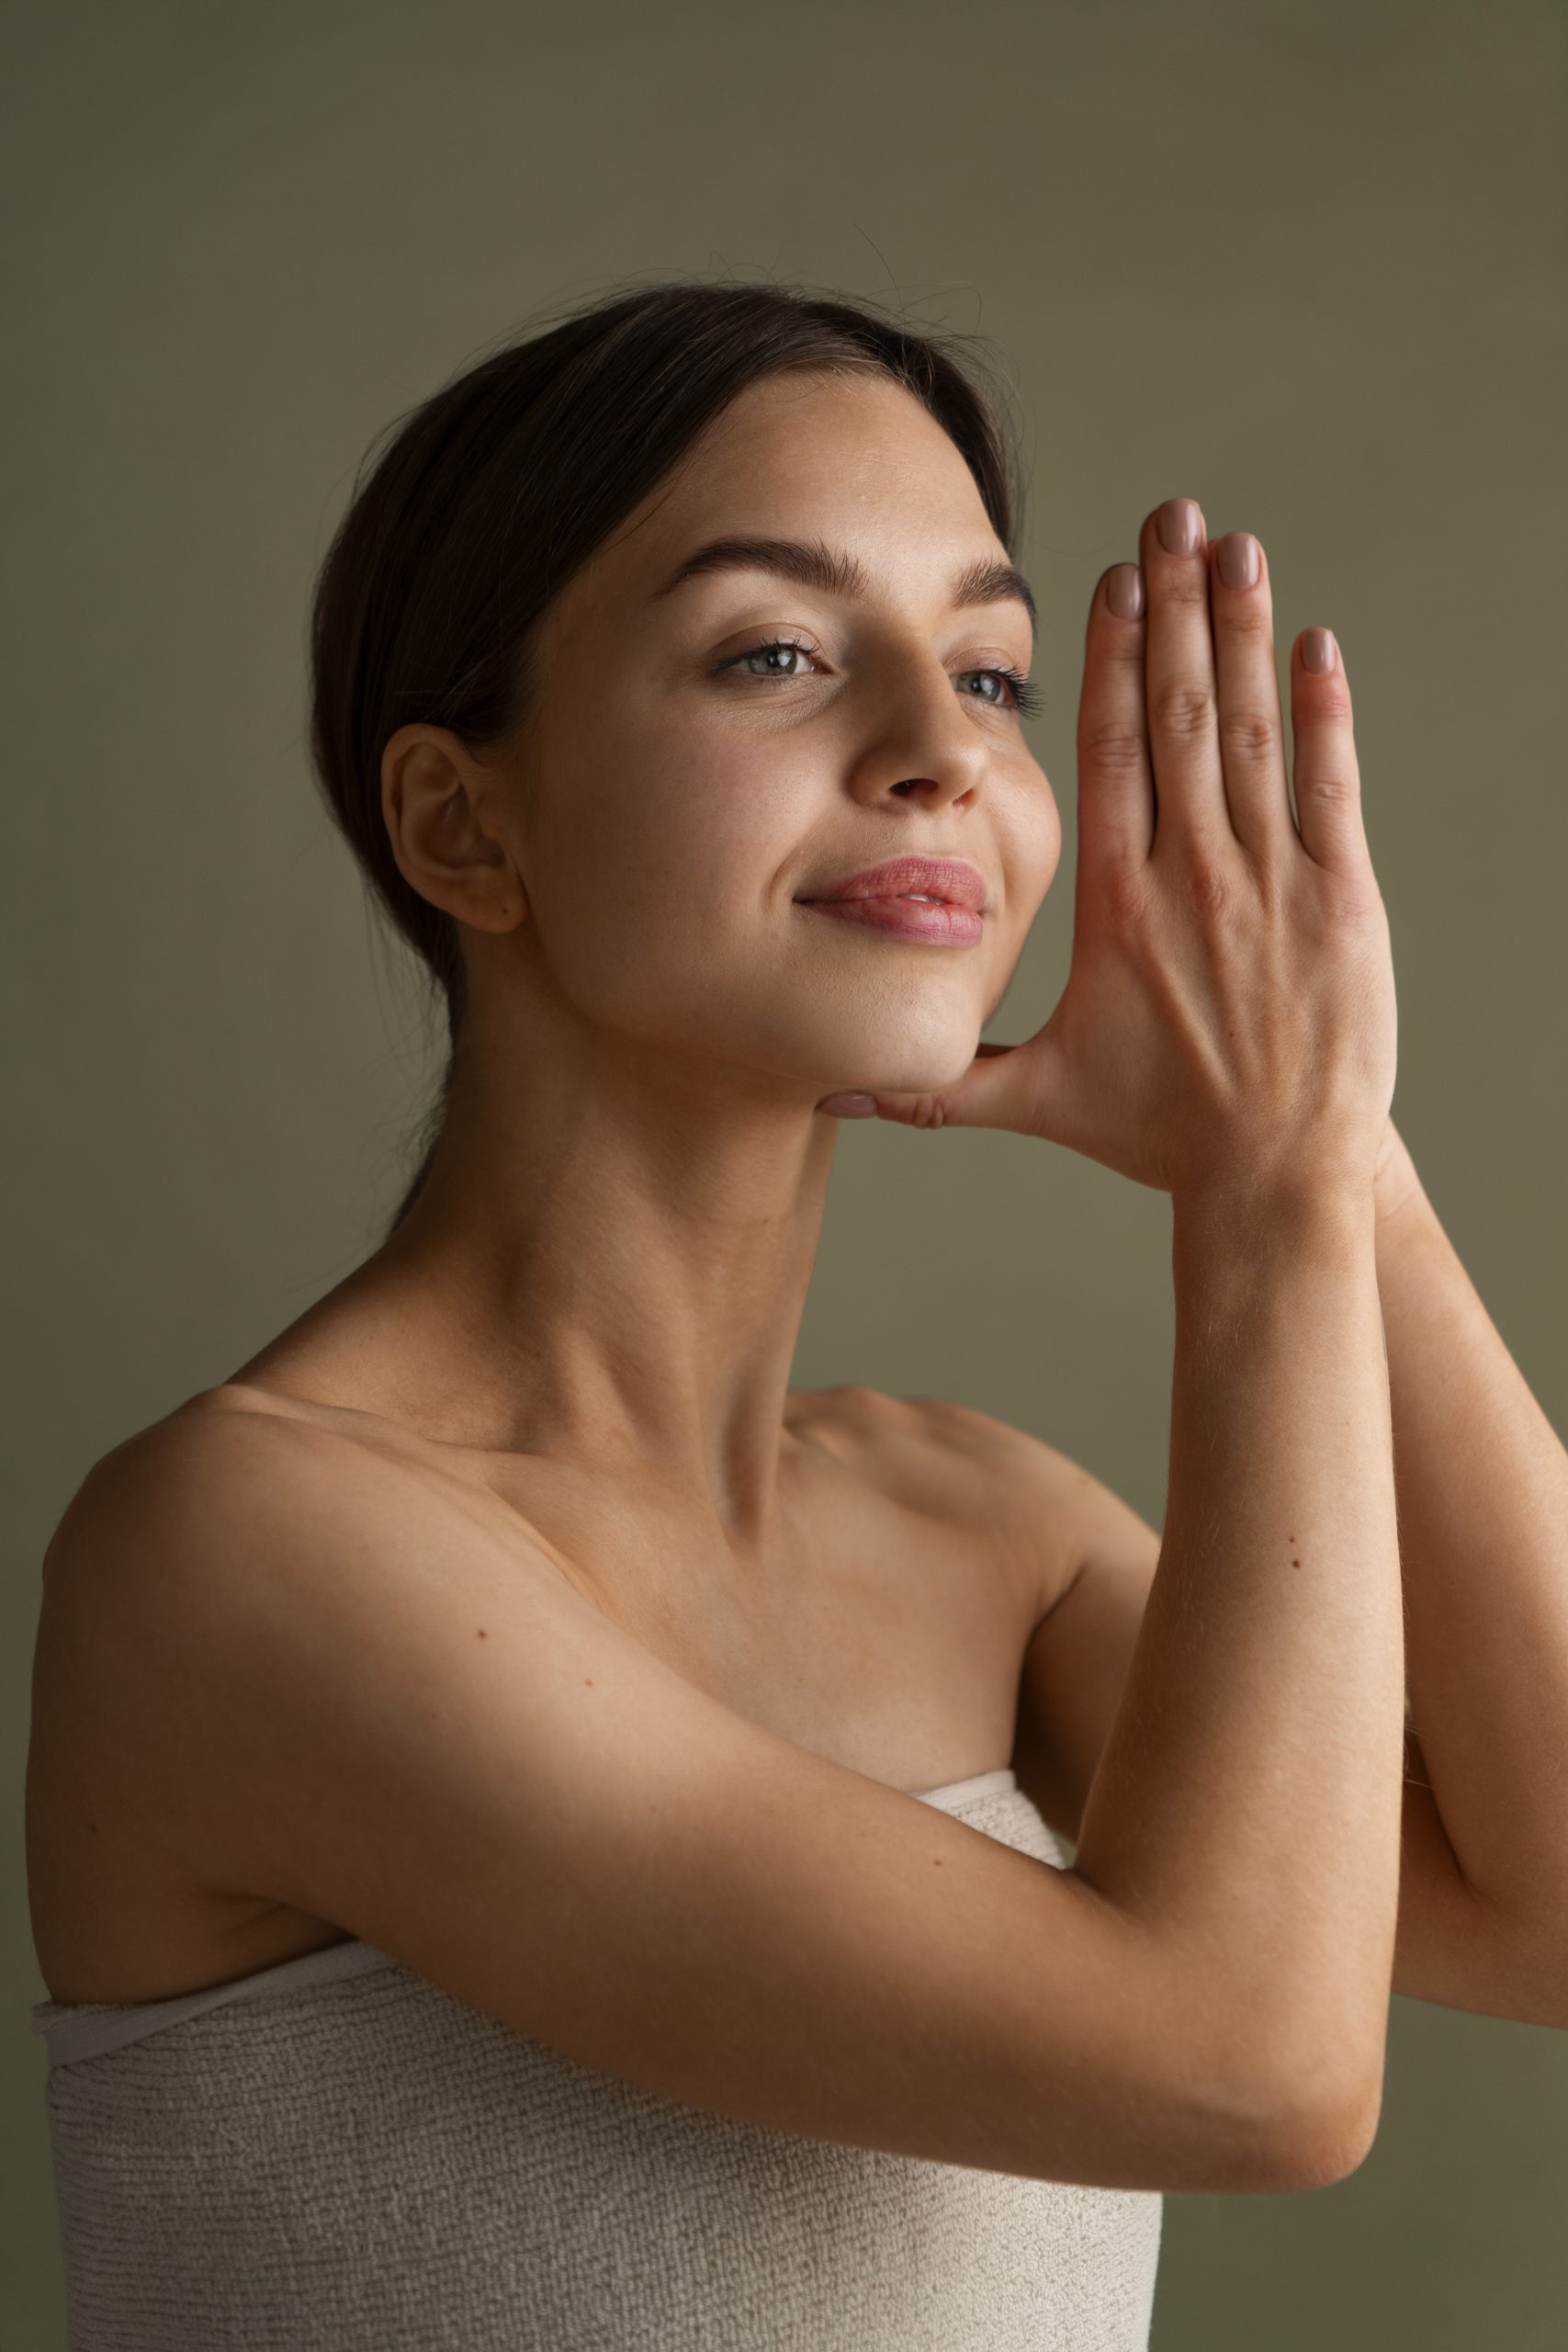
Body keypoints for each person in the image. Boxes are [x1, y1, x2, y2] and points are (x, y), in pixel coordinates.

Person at [27, 277, 1562, 2351]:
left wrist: (1329, 1144)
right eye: (775, 652)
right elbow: (1244, 2064)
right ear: (458, 823)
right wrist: (1261, 1195)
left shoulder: (972, 1527)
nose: (937, 751)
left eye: (995, 675)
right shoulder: (241, 1549)